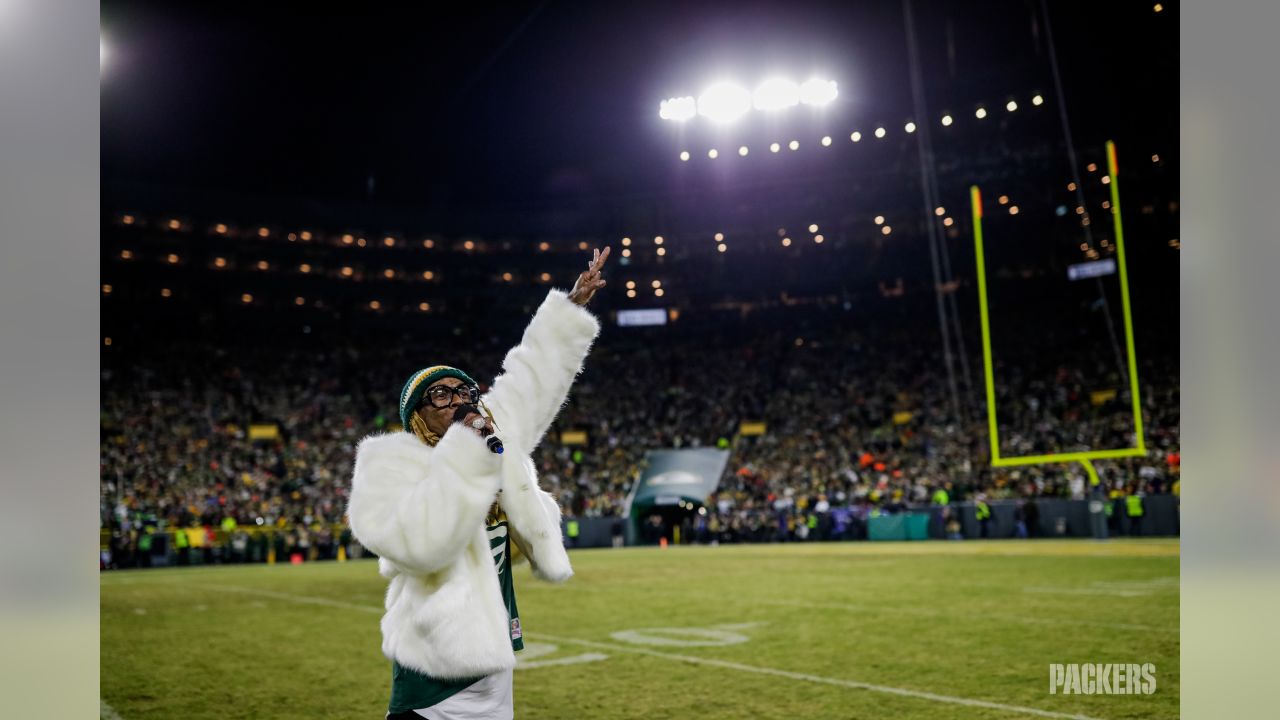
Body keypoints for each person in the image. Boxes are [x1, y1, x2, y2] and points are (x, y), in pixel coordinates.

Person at [347, 247, 609, 720]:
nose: (458, 400)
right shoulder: (387, 464)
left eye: (465, 390)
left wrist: (570, 308)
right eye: (440, 394)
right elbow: (420, 544)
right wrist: (471, 451)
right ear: (416, 416)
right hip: (435, 668)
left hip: (494, 657)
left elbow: (530, 381)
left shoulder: (491, 443)